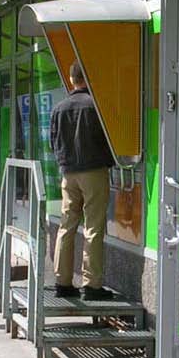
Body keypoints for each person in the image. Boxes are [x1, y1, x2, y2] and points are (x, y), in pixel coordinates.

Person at [49, 61, 116, 300]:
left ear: (71, 79)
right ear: (89, 78)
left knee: (66, 225)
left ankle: (62, 282)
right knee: (93, 227)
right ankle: (91, 285)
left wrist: (65, 164)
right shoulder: (96, 106)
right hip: (94, 171)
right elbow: (108, 141)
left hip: (68, 174)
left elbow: (54, 142)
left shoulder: (59, 108)